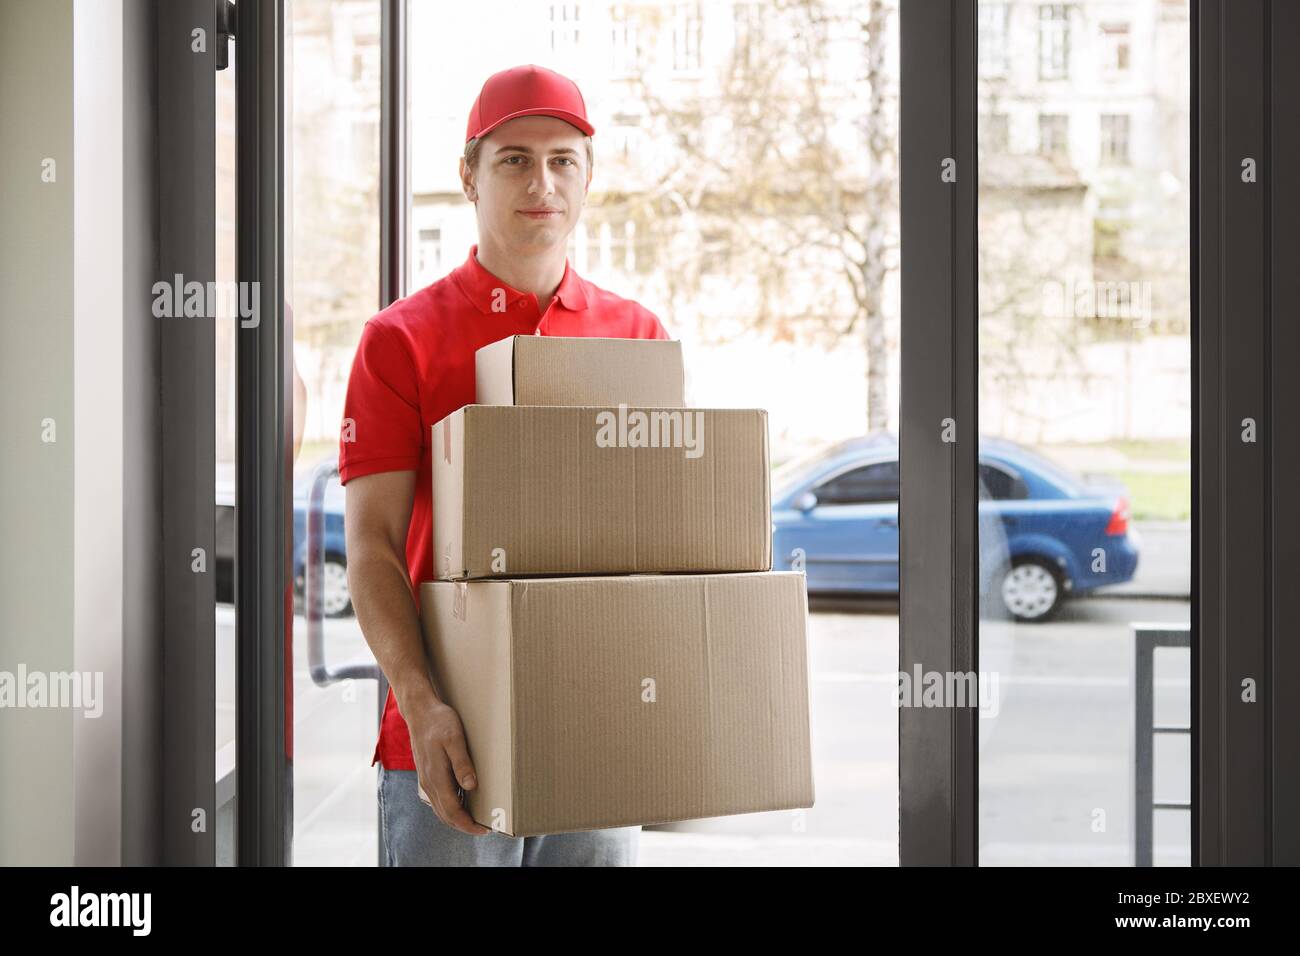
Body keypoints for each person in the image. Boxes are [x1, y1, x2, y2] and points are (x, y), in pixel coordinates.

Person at [338, 65, 670, 866]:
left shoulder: (638, 336)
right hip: (445, 738)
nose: (541, 182)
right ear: (468, 175)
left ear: (588, 177)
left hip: (592, 735)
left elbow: (663, 547)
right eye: (514, 159)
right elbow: (373, 548)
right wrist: (419, 705)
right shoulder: (400, 340)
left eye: (563, 159)